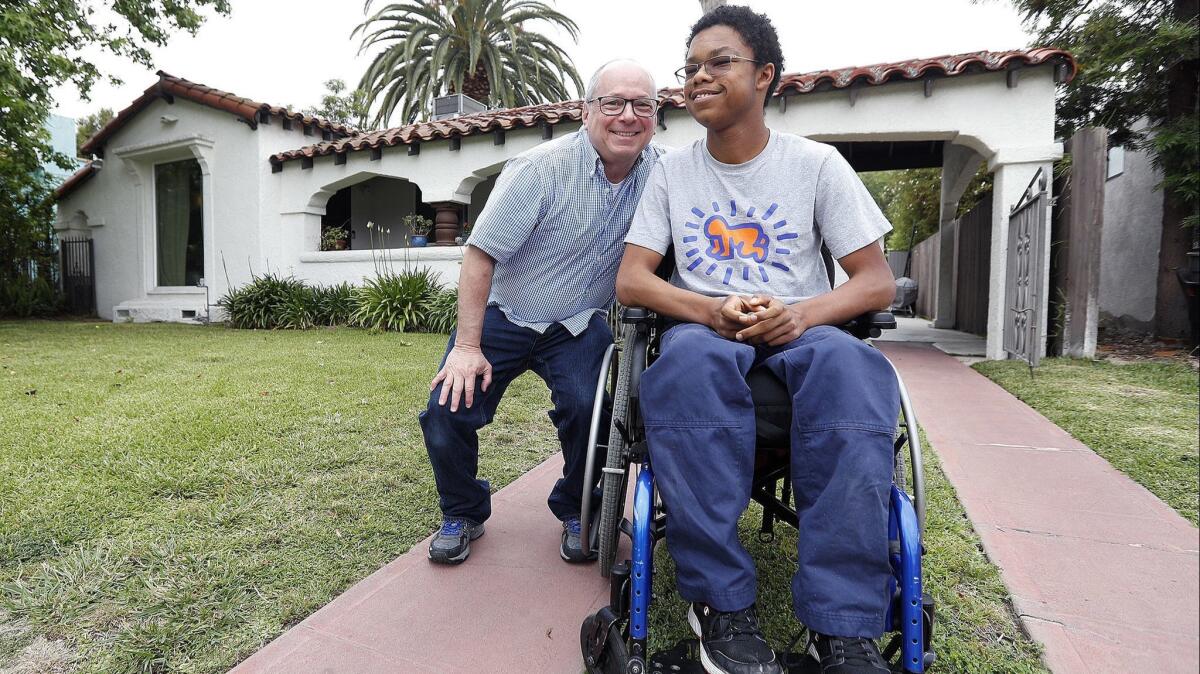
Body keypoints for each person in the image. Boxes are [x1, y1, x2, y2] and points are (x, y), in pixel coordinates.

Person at [615, 7, 899, 674]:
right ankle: (723, 608)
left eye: (719, 62)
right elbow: (632, 280)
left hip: (799, 331)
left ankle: (845, 627)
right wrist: (709, 311)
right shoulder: (672, 173)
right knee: (686, 362)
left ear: (765, 75)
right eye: (690, 68)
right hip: (706, 332)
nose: (698, 77)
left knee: (853, 368)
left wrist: (803, 316)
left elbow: (876, 281)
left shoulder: (817, 166)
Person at [420, 59, 663, 566]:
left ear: (656, 115)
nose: (628, 116)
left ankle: (577, 507)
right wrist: (467, 347)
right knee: (446, 410)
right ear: (586, 110)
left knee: (587, 412)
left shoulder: (662, 175)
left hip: (577, 324)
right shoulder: (541, 169)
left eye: (643, 105)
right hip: (506, 313)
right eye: (613, 103)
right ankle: (463, 512)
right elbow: (480, 254)